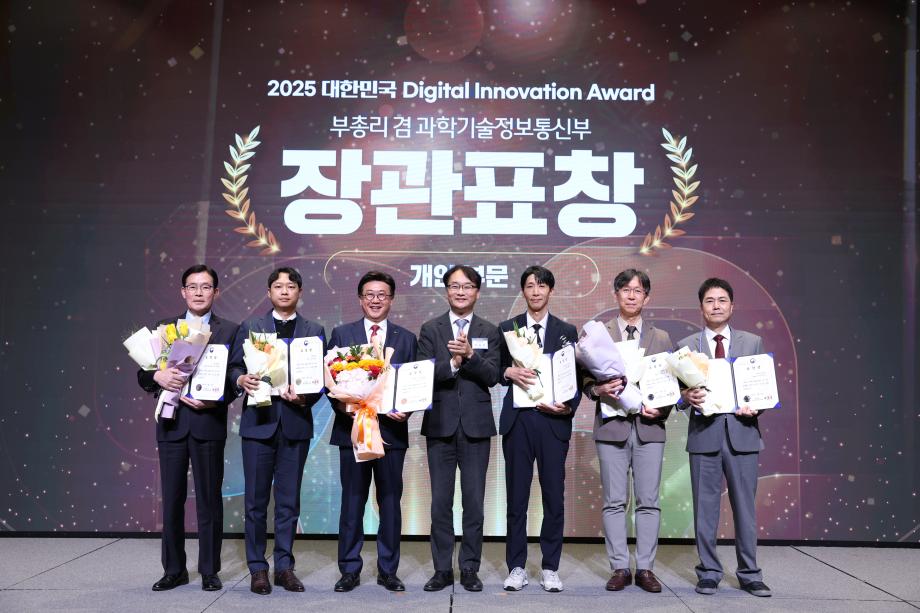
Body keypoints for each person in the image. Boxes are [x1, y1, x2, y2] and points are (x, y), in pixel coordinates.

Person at [137, 264, 239, 592]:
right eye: (192, 287)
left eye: (205, 287)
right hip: (172, 424)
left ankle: (209, 570)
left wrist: (217, 398)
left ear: (216, 292)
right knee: (172, 500)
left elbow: (235, 375)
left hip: (208, 423)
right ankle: (174, 570)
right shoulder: (165, 328)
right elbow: (143, 373)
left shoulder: (230, 330)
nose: (198, 292)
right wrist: (158, 375)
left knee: (209, 501)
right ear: (183, 292)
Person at [228, 267, 326, 595]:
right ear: (269, 292)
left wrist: (306, 396)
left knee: (288, 502)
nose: (284, 291)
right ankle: (258, 568)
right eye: (278, 286)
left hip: (295, 423)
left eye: (291, 286)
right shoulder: (251, 327)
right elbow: (235, 366)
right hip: (259, 424)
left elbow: (322, 377)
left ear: (300, 292)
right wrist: (240, 379)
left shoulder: (314, 331)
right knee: (255, 503)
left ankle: (285, 567)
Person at [677, 278, 772, 598]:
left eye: (721, 300)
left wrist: (756, 407)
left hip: (743, 434)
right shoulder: (686, 346)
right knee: (705, 510)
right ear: (701, 307)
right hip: (704, 435)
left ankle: (750, 573)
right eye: (709, 300)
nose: (716, 306)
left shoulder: (753, 342)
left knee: (745, 509)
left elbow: (762, 389)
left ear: (732, 306)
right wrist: (685, 398)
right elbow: (675, 394)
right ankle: (708, 572)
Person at [583, 269, 674, 593]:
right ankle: (620, 567)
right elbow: (584, 381)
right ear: (616, 294)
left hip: (650, 428)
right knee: (614, 501)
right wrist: (598, 390)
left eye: (638, 291)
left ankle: (646, 568)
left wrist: (662, 409)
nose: (631, 295)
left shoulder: (661, 337)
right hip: (612, 426)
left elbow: (671, 384)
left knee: (649, 501)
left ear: (646, 297)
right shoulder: (599, 334)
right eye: (626, 289)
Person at [328, 271, 417, 593]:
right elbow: (330, 383)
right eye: (369, 294)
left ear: (391, 299)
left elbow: (414, 383)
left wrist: (407, 408)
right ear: (360, 298)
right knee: (352, 501)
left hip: (392, 433)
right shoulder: (342, 333)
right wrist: (350, 406)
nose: (375, 300)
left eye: (382, 295)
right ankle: (349, 570)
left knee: (390, 503)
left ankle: (388, 570)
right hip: (353, 431)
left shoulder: (407, 338)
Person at [417, 265, 501, 592]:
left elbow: (493, 375)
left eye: (467, 286)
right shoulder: (431, 329)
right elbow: (423, 372)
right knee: (440, 502)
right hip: (440, 425)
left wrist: (470, 356)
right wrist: (453, 363)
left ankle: (469, 568)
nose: (461, 292)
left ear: (477, 291)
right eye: (455, 286)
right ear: (446, 291)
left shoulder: (489, 330)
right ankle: (441, 569)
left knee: (474, 503)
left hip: (476, 427)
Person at [498, 266, 581, 593]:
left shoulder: (566, 331)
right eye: (530, 286)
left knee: (553, 498)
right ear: (523, 291)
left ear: (550, 291)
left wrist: (568, 407)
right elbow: (495, 369)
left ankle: (550, 567)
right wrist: (507, 372)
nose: (536, 291)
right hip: (518, 421)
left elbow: (576, 378)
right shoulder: (508, 328)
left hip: (553, 422)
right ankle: (516, 566)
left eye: (542, 286)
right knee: (516, 499)